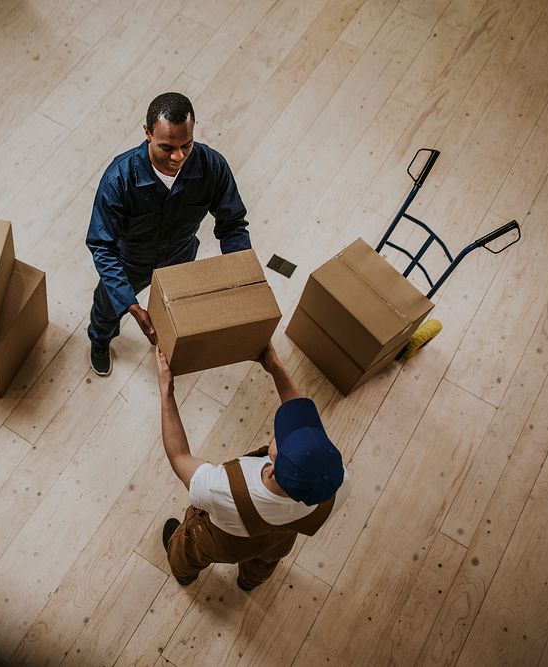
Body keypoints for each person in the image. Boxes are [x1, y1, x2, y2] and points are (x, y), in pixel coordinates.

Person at [155, 342, 351, 590]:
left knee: (191, 549)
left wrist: (166, 392)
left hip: (226, 542)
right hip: (280, 539)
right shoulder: (339, 481)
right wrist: (276, 367)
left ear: (270, 470)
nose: (284, 430)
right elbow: (299, 411)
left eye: (282, 437)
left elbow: (180, 456)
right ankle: (250, 581)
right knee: (267, 560)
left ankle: (183, 573)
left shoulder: (223, 489)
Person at [85, 92, 250, 376]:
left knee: (173, 312)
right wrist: (131, 305)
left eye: (186, 145)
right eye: (167, 147)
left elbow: (232, 223)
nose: (178, 157)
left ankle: (166, 341)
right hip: (129, 261)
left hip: (180, 255)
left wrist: (243, 274)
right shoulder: (118, 179)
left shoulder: (212, 167)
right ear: (147, 133)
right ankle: (99, 342)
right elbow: (102, 246)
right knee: (107, 309)